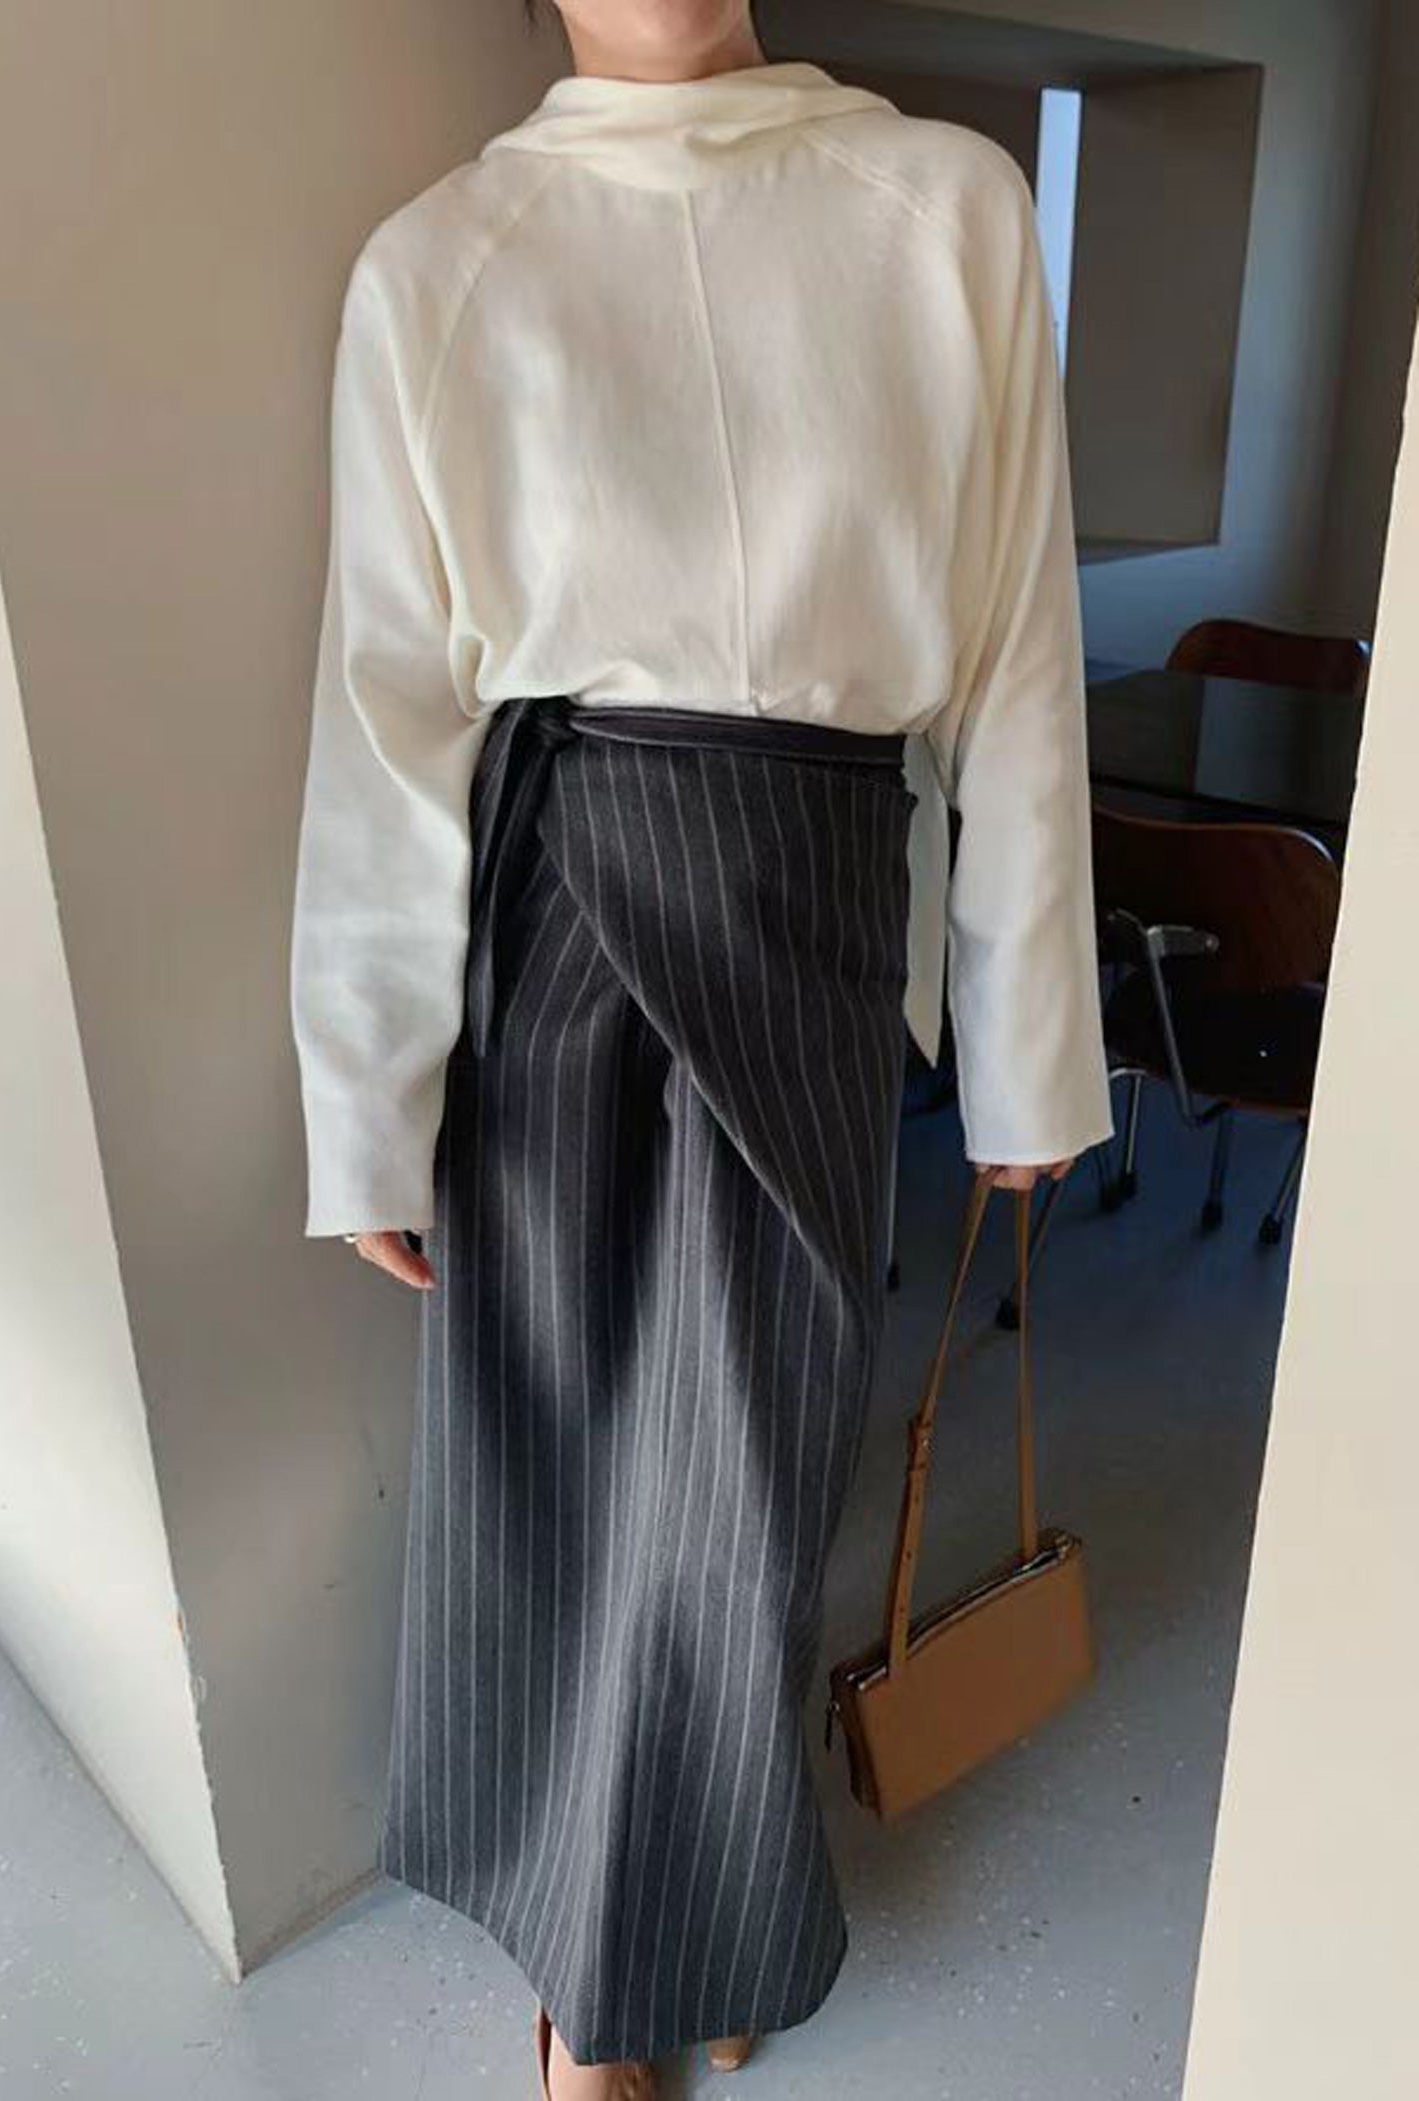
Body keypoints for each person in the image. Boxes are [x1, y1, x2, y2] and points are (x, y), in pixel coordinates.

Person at [288, 2, 1114, 2094]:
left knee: (748, 1477)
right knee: (561, 1465)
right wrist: (368, 1100)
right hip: (553, 910)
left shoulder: (947, 211)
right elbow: (386, 717)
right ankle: (607, 1991)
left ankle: (676, 1917)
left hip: (817, 921)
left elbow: (1017, 662)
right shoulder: (440, 259)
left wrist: (1025, 1046)